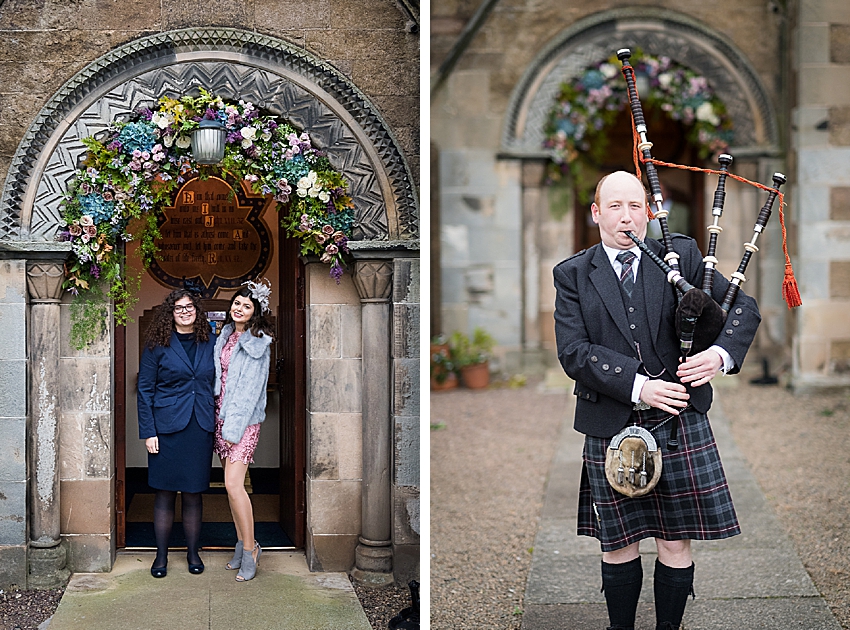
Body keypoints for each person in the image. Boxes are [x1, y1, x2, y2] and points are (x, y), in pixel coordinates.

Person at [553, 171, 761, 630]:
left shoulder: (680, 254)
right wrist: (637, 385)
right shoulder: (571, 274)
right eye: (615, 206)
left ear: (648, 210)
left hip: (679, 419)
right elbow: (573, 352)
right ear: (596, 213)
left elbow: (741, 307)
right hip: (611, 420)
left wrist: (718, 354)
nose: (628, 216)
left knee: (675, 541)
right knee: (619, 543)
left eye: (636, 206)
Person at [137, 288, 217, 578]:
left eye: (189, 307)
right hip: (166, 427)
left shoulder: (211, 341)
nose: (185, 312)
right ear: (170, 313)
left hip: (199, 426)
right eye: (179, 308)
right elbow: (144, 390)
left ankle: (193, 552)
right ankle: (160, 557)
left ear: (197, 311)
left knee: (194, 494)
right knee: (165, 493)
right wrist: (149, 432)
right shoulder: (156, 344)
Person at [214, 279, 274, 582]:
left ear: (255, 312)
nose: (239, 308)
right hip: (221, 417)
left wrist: (234, 427)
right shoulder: (225, 335)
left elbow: (250, 390)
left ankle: (251, 549)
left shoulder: (257, 341)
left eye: (246, 306)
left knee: (235, 486)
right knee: (230, 489)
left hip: (243, 421)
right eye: (237, 302)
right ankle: (240, 544)